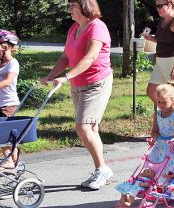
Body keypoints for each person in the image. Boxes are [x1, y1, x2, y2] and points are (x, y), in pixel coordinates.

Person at [40, 0, 113, 190]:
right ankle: (101, 170)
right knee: (90, 127)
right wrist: (51, 75)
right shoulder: (74, 28)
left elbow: (90, 57)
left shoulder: (97, 27)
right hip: (78, 83)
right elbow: (66, 56)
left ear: (84, 6)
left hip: (97, 82)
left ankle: (102, 169)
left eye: (72, 4)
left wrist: (66, 76)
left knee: (83, 126)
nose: (69, 8)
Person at [142, 0, 174, 116]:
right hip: (160, 61)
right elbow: (161, 39)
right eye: (156, 5)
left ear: (170, 5)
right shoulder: (161, 21)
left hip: (173, 60)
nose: (157, 8)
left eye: (160, 5)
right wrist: (150, 39)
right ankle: (169, 114)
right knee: (151, 91)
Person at [148, 81, 174, 176]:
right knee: (155, 166)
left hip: (173, 145)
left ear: (173, 100)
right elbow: (155, 130)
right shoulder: (157, 115)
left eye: (164, 102)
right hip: (161, 146)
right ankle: (155, 182)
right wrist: (153, 137)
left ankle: (167, 182)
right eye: (159, 102)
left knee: (171, 166)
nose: (161, 105)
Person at [0, 29, 20, 171]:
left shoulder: (13, 64)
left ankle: (13, 162)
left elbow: (7, 81)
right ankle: (10, 160)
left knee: (7, 135)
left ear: (4, 47)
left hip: (8, 105)